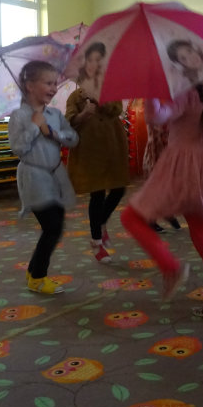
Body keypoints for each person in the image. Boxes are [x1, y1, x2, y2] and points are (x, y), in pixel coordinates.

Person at [120, 82, 203, 322]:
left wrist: (150, 90)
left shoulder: (186, 94)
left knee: (130, 217)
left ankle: (170, 267)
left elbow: (155, 117)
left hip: (180, 166)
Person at [8, 60, 79, 295]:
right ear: (30, 86)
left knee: (55, 226)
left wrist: (53, 133)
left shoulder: (55, 114)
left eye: (55, 83)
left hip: (55, 177)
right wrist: (33, 126)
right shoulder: (19, 116)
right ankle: (38, 278)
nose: (53, 88)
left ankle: (33, 271)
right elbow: (17, 147)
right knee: (52, 226)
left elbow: (73, 138)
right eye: (48, 83)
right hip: (33, 177)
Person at [65, 41, 130, 264]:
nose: (94, 64)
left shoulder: (110, 89)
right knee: (97, 194)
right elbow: (69, 121)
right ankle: (96, 242)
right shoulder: (76, 97)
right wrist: (84, 113)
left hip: (113, 147)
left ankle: (102, 222)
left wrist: (99, 100)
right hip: (90, 151)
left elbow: (117, 109)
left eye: (99, 60)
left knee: (119, 188)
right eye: (90, 60)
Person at [141, 115, 181, 232]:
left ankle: (167, 213)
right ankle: (151, 219)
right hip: (155, 154)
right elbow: (156, 135)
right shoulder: (153, 112)